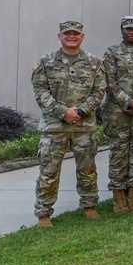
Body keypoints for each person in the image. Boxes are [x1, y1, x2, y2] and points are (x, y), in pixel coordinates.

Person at [31, 21, 107, 226]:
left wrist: (81, 111)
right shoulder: (46, 62)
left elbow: (99, 91)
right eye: (67, 34)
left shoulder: (93, 62)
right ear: (59, 36)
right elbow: (41, 92)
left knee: (87, 168)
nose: (71, 36)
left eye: (76, 34)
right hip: (54, 127)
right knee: (49, 170)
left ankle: (89, 206)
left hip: (84, 126)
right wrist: (64, 112)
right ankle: (44, 213)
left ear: (82, 37)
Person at [101, 16, 133, 214]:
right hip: (118, 112)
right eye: (128, 29)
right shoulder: (112, 52)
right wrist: (128, 102)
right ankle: (118, 198)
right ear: (121, 30)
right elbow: (110, 81)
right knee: (119, 154)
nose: (132, 32)